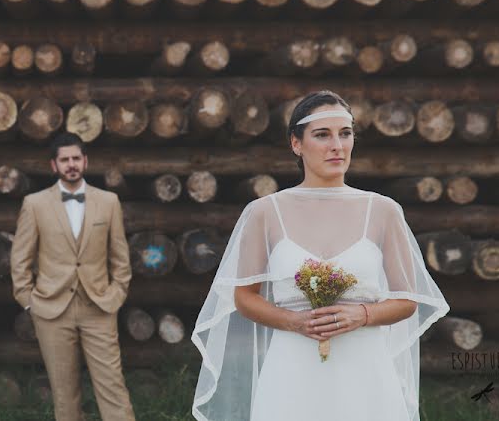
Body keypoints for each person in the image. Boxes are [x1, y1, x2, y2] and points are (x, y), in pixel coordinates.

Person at [191, 90, 450, 421]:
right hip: (292, 367)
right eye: (322, 135)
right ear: (296, 144)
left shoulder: (383, 210)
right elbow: (244, 296)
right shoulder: (265, 213)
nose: (337, 146)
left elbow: (407, 299)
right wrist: (293, 321)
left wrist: (363, 315)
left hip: (364, 370)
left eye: (345, 134)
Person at [10, 132, 136, 421]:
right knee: (64, 393)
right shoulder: (35, 204)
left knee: (113, 387)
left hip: (99, 307)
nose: (71, 164)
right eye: (64, 159)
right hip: (52, 311)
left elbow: (120, 257)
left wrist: (116, 295)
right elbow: (20, 259)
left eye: (76, 158)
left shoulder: (108, 201)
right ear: (54, 165)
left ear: (85, 161)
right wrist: (29, 302)